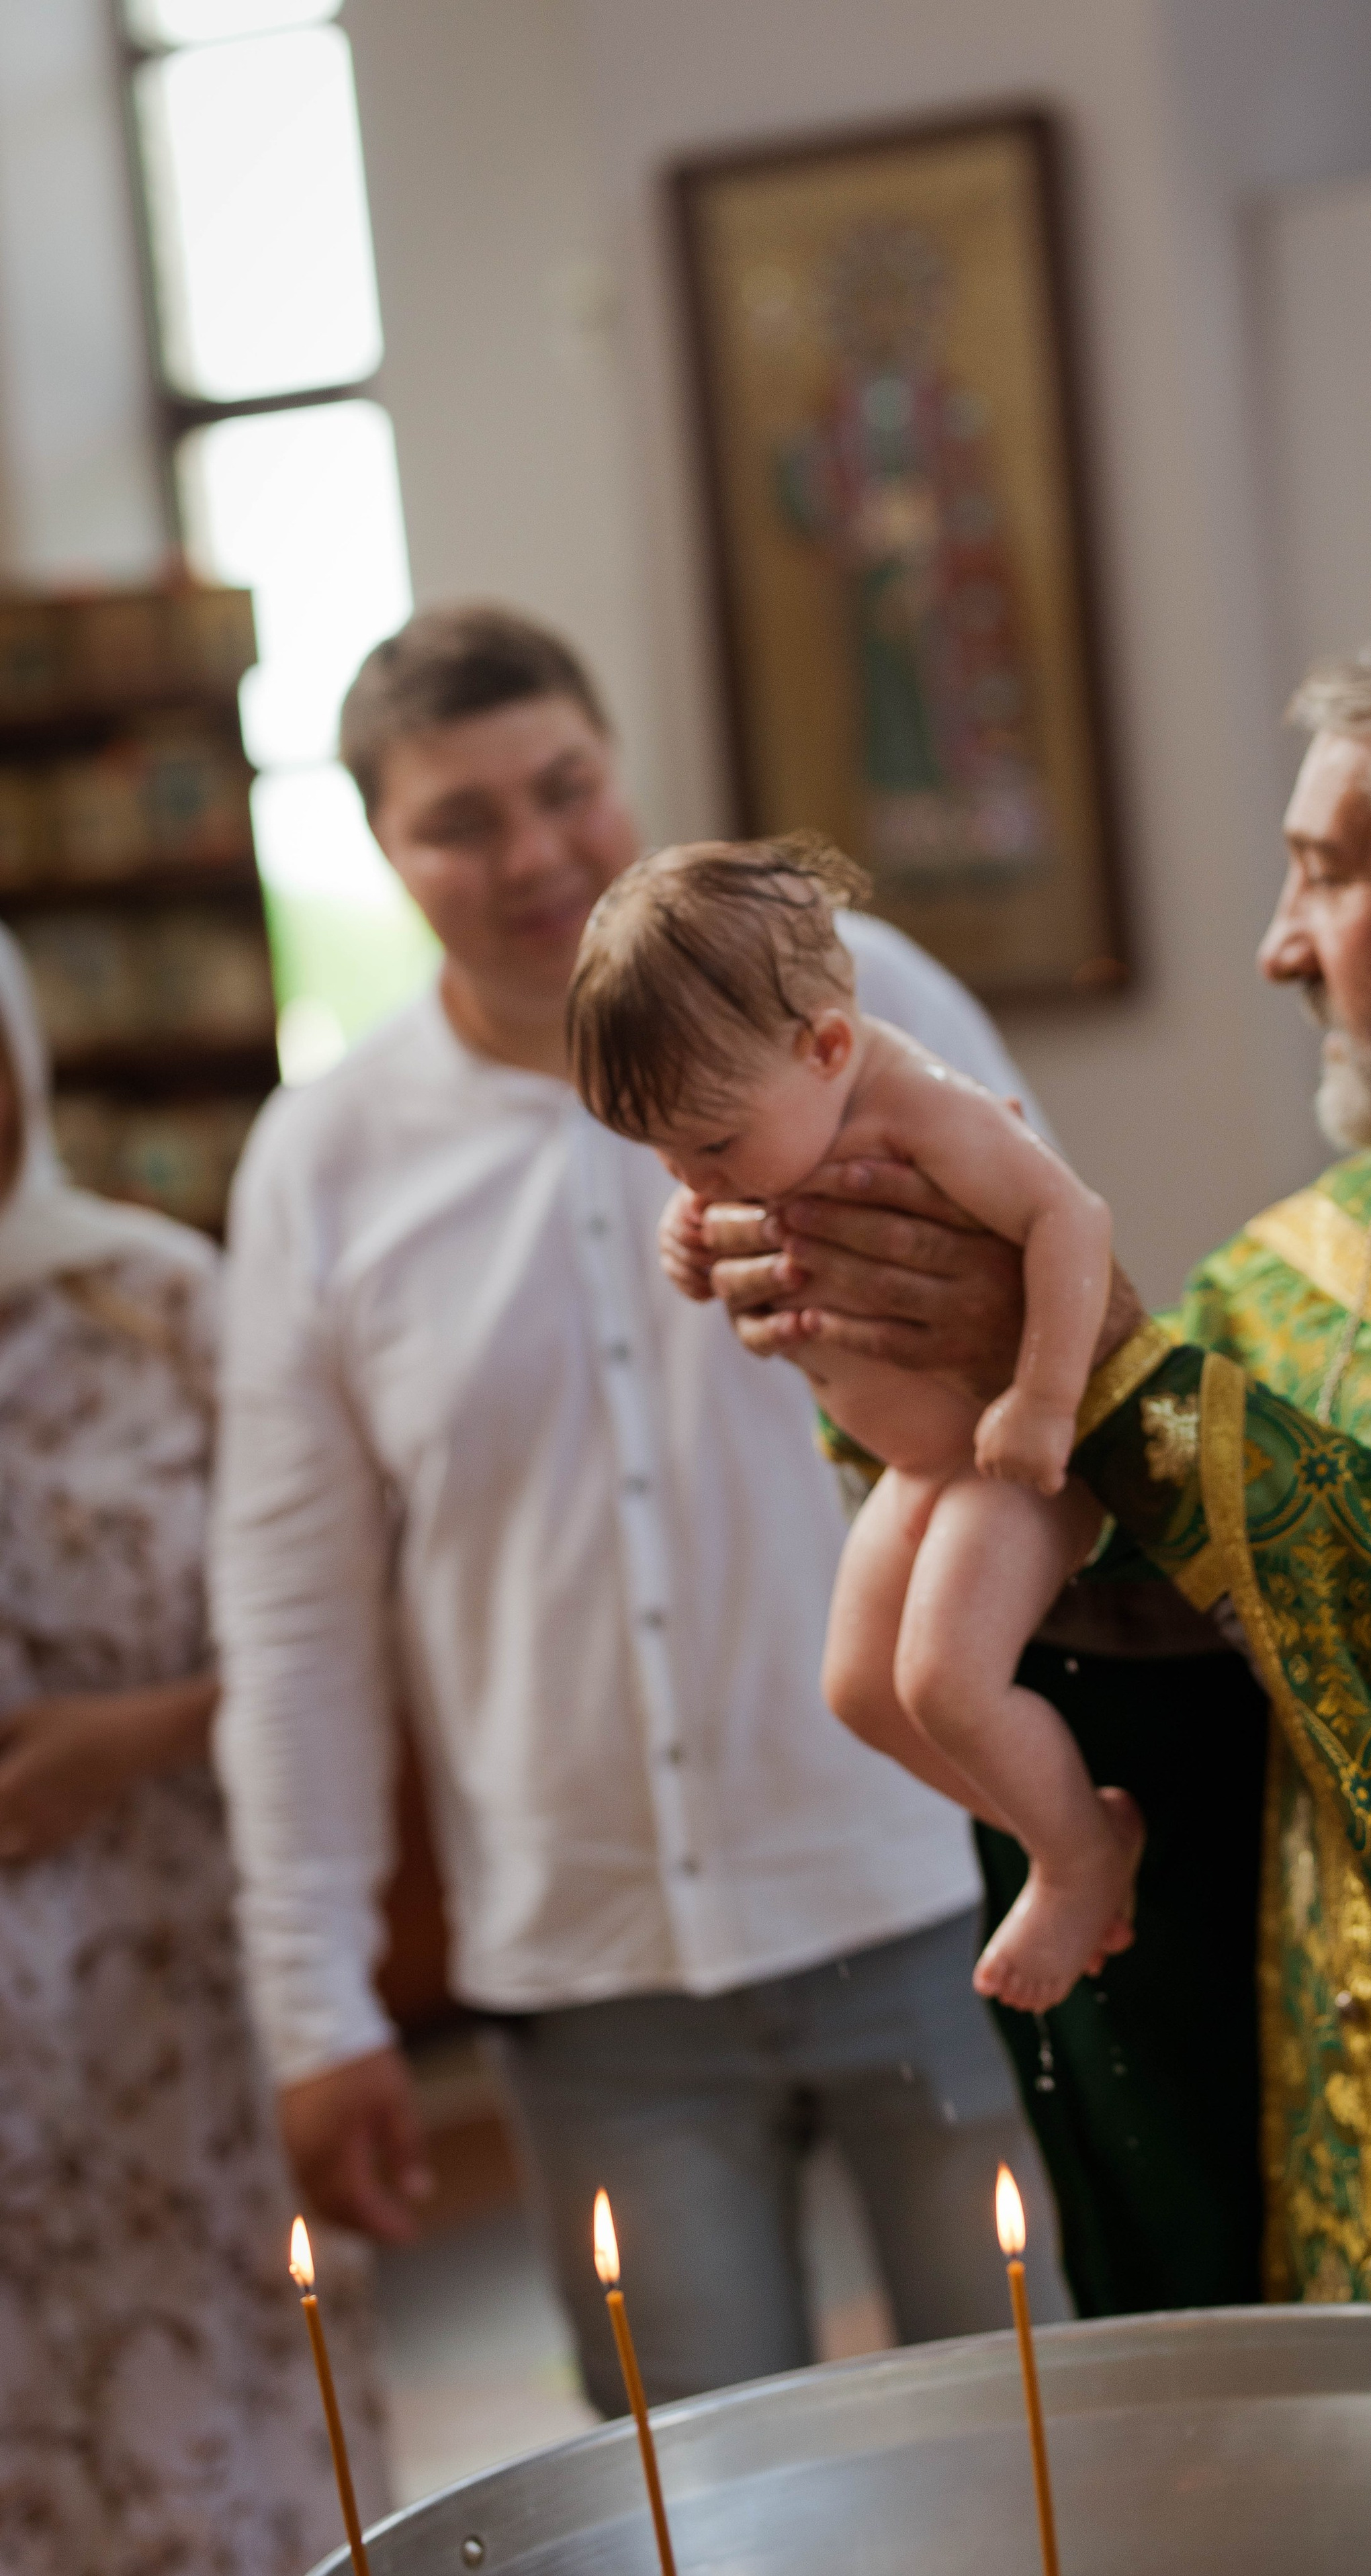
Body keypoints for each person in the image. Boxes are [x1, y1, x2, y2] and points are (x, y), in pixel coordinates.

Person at [705, 630, 1371, 2325]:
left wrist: (1110, 1374)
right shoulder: (1330, 1241)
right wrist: (911, 1354)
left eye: (1324, 874)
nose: (1276, 947)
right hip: (1338, 2177)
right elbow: (1175, 1617)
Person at [212, 604, 1067, 2422]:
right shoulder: (327, 1156)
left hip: (930, 1892)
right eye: (460, 819)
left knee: (1041, 2458)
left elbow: (1066, 1363)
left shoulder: (877, 1004)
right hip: (595, 1992)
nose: (530, 852)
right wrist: (317, 2004)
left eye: (563, 786)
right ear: (381, 845)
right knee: (689, 2517)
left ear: (621, 772)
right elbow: (290, 1609)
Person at [566, 831, 1139, 2014]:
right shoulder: (769, 1117)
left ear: (825, 1045)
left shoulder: (924, 1109)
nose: (692, 1174)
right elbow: (726, 1236)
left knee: (941, 1679)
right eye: (662, 1152)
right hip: (919, 1470)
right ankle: (1073, 1824)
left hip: (1001, 1455)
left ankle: (1076, 1856)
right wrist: (692, 1239)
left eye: (711, 1145)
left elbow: (1071, 1219)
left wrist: (1041, 1400)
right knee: (860, 1693)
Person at [0, 928, 385, 2576]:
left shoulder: (155, 1305)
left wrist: (119, 1743)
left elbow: (325, 1623)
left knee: (220, 2447)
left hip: (175, 1999)